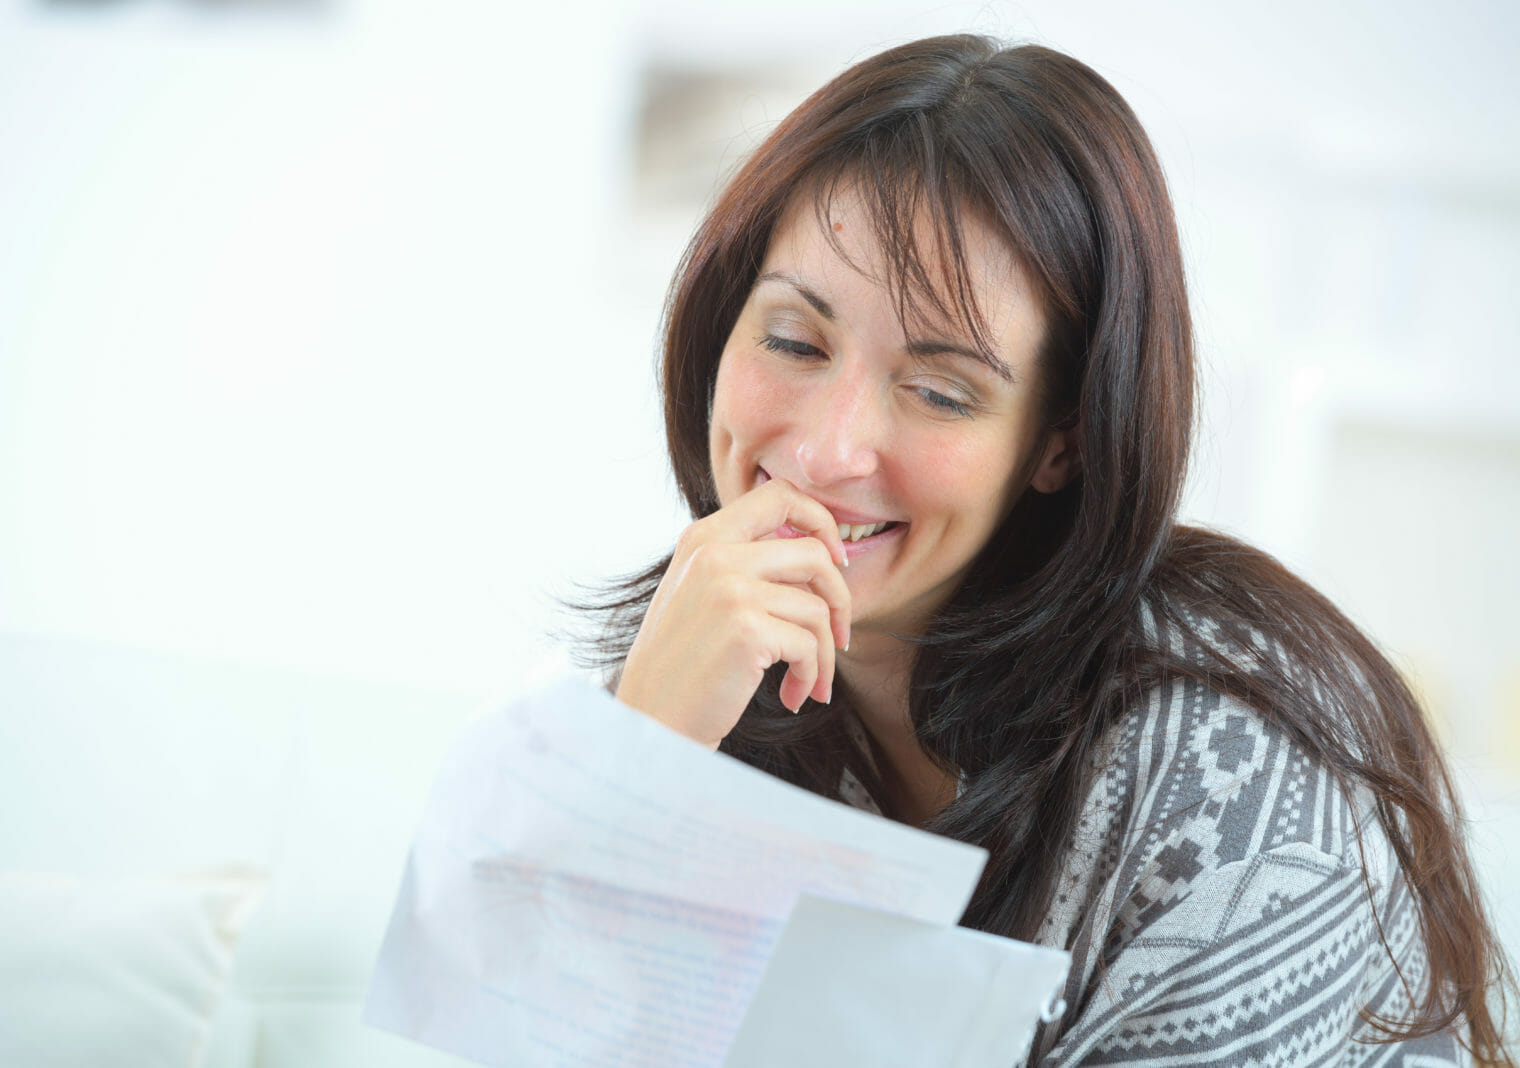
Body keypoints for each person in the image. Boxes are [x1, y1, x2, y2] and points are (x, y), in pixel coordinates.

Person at [582, 34, 1512, 1064]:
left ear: (1059, 441)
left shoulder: (1229, 767)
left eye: (940, 390)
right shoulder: (689, 674)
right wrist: (639, 765)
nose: (825, 449)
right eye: (794, 342)